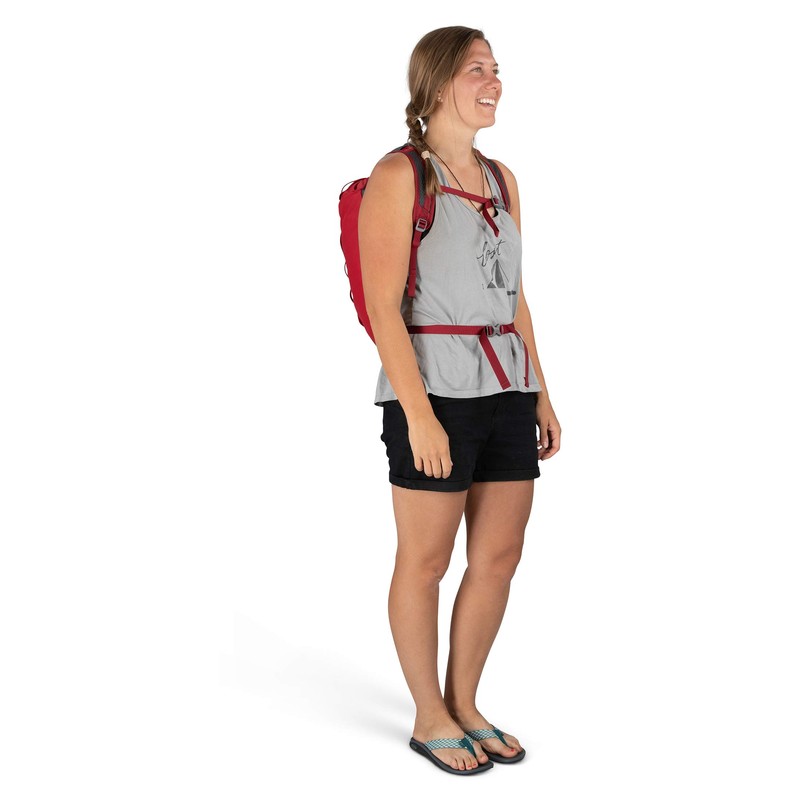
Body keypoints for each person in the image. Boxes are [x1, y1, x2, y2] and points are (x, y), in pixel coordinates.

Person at [358, 25, 561, 776]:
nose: (495, 81)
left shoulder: (503, 180)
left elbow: (515, 297)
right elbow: (384, 308)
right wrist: (418, 416)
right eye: (478, 69)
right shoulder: (399, 174)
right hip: (434, 389)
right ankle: (428, 716)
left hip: (507, 384)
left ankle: (465, 703)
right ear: (439, 81)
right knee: (427, 559)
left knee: (499, 556)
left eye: (496, 69)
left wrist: (541, 394)